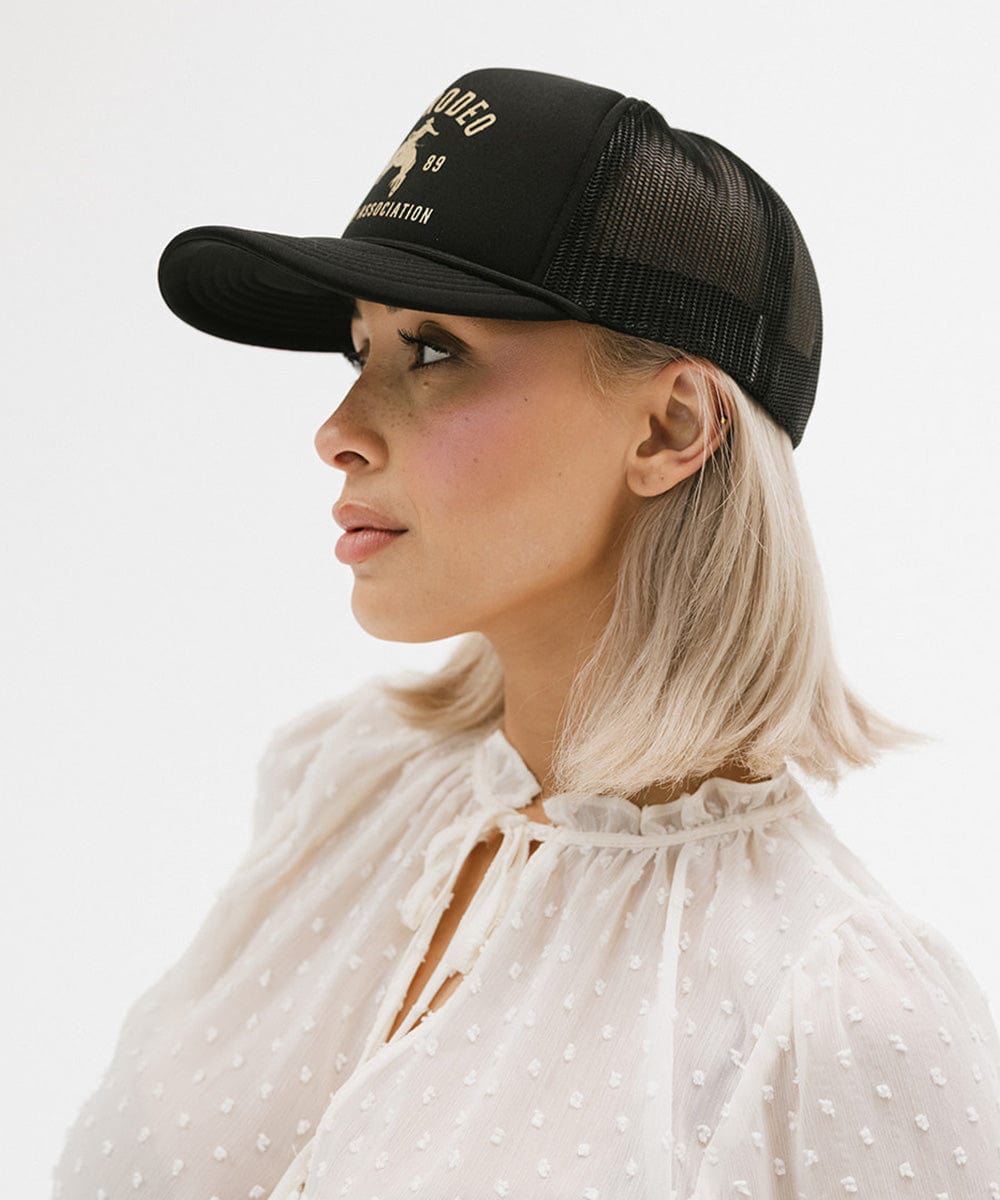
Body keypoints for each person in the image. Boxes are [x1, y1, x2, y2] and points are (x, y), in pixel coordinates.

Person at [52, 66, 1000, 1199]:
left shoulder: (837, 1014)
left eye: (434, 350)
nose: (338, 430)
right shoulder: (342, 782)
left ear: (670, 425)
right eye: (362, 350)